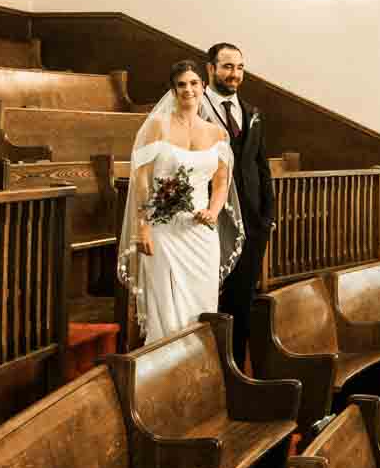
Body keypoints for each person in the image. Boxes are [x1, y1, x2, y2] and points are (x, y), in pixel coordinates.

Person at [116, 60, 244, 344]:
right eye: (181, 85)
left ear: (203, 86)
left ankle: (199, 364)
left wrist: (213, 211)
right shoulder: (156, 127)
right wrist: (142, 227)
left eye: (194, 83)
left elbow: (221, 182)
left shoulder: (216, 133)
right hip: (163, 230)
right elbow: (141, 180)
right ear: (173, 91)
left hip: (200, 233)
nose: (188, 90)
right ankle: (166, 367)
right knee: (167, 307)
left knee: (203, 302)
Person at [204, 42, 275, 365]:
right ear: (211, 69)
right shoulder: (198, 107)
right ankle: (211, 365)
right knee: (214, 298)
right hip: (213, 218)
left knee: (244, 298)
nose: (235, 74)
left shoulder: (253, 112)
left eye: (240, 68)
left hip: (253, 222)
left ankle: (236, 367)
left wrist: (267, 215)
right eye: (228, 67)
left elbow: (261, 167)